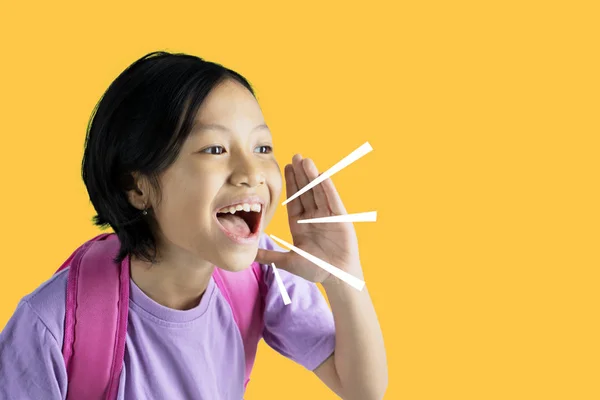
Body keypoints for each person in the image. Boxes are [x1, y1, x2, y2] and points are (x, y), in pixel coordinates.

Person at [0, 51, 388, 399]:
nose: (252, 172)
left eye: (262, 148)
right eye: (215, 149)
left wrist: (341, 276)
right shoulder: (50, 326)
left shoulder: (267, 272)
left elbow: (361, 387)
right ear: (137, 186)